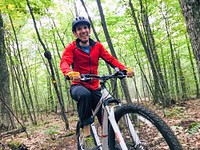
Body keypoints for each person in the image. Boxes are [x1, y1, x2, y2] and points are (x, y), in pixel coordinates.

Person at [60, 16, 134, 150]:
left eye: (85, 28)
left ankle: (112, 142)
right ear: (75, 33)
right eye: (79, 29)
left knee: (104, 115)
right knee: (84, 95)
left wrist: (124, 69)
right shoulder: (72, 47)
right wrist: (69, 72)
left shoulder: (97, 46)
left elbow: (110, 59)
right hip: (78, 86)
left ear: (89, 30)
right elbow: (65, 62)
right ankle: (87, 135)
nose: (83, 31)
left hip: (94, 86)